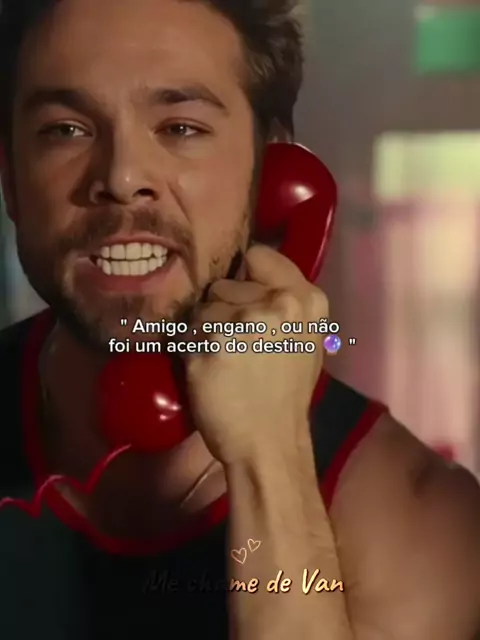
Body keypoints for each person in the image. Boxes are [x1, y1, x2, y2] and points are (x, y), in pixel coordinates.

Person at [0, 0, 479, 638]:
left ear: (273, 173)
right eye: (66, 130)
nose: (121, 177)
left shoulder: (425, 524)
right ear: (10, 179)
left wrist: (270, 461)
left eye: (180, 128)